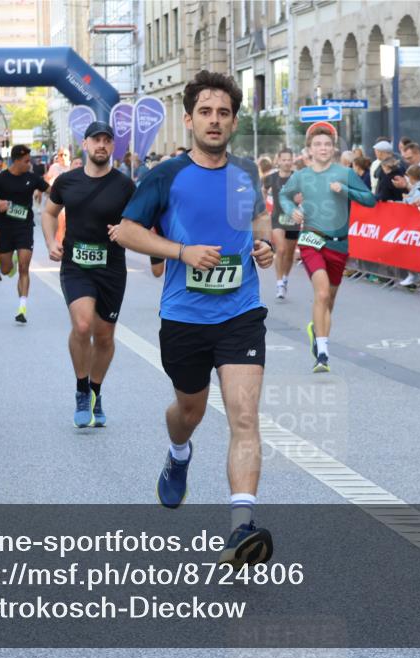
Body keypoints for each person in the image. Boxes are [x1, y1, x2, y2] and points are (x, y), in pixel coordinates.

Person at [108, 70, 276, 569]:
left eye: (224, 112)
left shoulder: (247, 173)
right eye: (205, 111)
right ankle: (178, 452)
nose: (215, 120)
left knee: (244, 417)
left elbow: (259, 223)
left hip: (241, 312)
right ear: (188, 119)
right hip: (184, 317)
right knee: (190, 413)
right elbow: (126, 232)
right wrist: (182, 251)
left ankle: (241, 528)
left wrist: (264, 246)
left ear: (234, 121)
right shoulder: (165, 176)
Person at [42, 122, 136, 428]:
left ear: (112, 147)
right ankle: (82, 390)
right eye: (97, 139)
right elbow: (48, 212)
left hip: (111, 267)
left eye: (108, 141)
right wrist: (51, 241)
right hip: (76, 264)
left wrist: (126, 230)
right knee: (82, 326)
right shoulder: (67, 182)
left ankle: (96, 391)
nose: (102, 145)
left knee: (105, 335)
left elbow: (138, 221)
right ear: (86, 144)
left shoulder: (124, 185)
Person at [280, 123, 377, 372]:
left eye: (327, 144)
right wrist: (292, 210)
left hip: (339, 243)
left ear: (333, 148)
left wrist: (344, 190)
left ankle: (317, 328)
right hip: (312, 239)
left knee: (329, 300)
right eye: (317, 145)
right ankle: (322, 354)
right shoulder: (302, 175)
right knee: (321, 293)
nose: (322, 148)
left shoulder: (344, 173)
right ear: (310, 149)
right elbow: (283, 195)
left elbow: (370, 200)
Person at [0, 144, 50, 323]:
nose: (29, 164)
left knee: (25, 267)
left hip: (24, 227)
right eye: (26, 161)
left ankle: (22, 307)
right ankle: (10, 262)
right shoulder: (0, 179)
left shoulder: (32, 178)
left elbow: (52, 191)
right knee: (7, 270)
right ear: (16, 161)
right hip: (5, 229)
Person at [263, 147, 298, 299]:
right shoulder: (271, 177)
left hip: (293, 220)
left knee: (290, 254)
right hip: (277, 218)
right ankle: (278, 283)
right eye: (284, 160)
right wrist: (263, 206)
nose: (286, 163)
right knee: (281, 249)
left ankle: (285, 279)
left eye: (289, 160)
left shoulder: (298, 177)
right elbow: (263, 190)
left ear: (292, 160)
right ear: (278, 160)